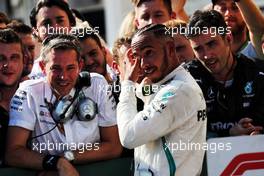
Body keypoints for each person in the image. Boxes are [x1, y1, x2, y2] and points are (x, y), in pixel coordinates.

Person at [5, 35, 122, 175]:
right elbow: (13, 153)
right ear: (43, 67)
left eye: (70, 68)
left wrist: (65, 159)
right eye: (56, 68)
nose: (63, 76)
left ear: (80, 65)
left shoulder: (97, 84)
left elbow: (114, 146)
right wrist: (57, 163)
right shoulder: (28, 92)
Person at [117, 24, 207, 176]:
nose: (143, 64)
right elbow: (146, 92)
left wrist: (128, 84)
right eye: (137, 57)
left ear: (170, 49)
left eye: (149, 53)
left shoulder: (178, 91)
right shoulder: (165, 84)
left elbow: (128, 137)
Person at [185, 10, 264, 138]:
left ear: (228, 38)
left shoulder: (256, 75)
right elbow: (183, 137)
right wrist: (229, 134)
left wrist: (257, 134)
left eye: (212, 44)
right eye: (198, 49)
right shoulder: (186, 80)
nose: (207, 55)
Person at [29, 0, 76, 80]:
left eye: (60, 21)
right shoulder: (30, 76)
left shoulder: (88, 64)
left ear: (70, 25)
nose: (55, 28)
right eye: (46, 23)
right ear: (36, 31)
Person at [0, 29, 24, 167]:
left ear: (24, 60)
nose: (7, 65)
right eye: (1, 58)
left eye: (14, 57)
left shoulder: (36, 100)